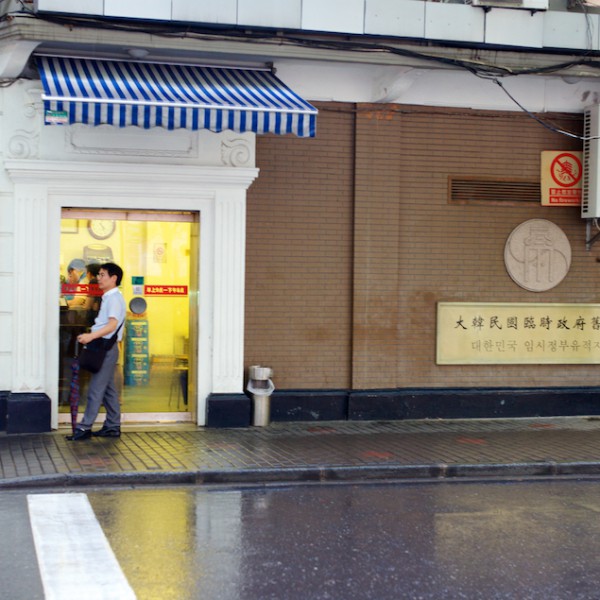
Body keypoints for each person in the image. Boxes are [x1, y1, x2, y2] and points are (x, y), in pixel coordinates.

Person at [67, 262, 126, 441]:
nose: (98, 278)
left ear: (113, 278)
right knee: (108, 389)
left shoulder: (114, 298)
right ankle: (112, 426)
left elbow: (112, 325)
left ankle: (84, 428)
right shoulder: (109, 297)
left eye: (102, 275)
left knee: (95, 389)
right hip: (105, 347)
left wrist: (90, 336)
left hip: (105, 348)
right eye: (98, 274)